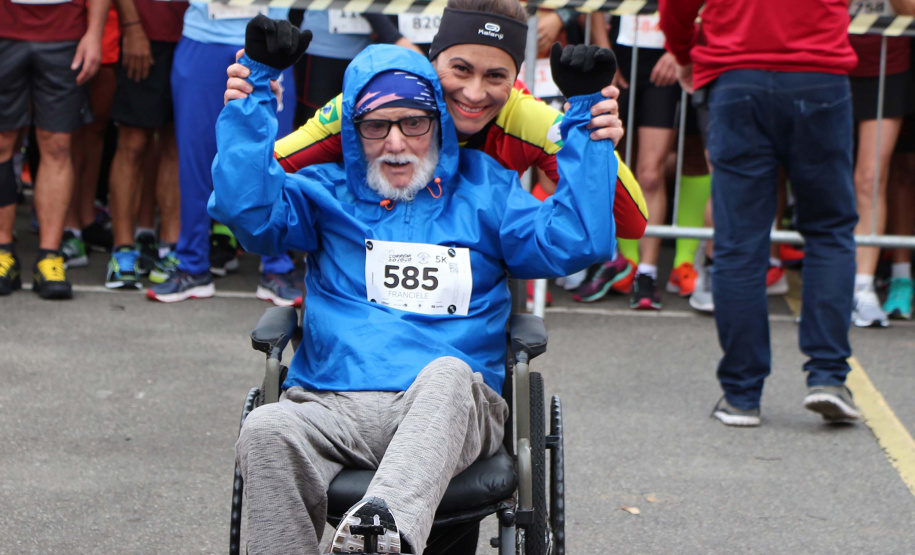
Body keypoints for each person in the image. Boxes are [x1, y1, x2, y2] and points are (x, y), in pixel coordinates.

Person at [214, 15, 618, 554]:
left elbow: (578, 241)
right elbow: (248, 212)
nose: (398, 143)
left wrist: (588, 121)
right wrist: (253, 94)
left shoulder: (486, 190)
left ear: (439, 124)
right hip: (333, 403)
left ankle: (380, 538)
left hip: (449, 406)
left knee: (448, 375)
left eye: (414, 123)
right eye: (377, 126)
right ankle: (371, 532)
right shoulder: (322, 193)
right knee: (267, 429)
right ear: (354, 134)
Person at [225, 0, 648, 247]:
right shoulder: (375, 104)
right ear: (433, 62)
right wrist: (254, 103)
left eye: (496, 76)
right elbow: (251, 191)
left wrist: (591, 139)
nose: (475, 93)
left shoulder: (527, 117)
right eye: (460, 70)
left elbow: (631, 223)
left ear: (514, 78)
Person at [660, 0, 861, 426]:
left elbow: (676, 6)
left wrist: (684, 54)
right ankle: (827, 377)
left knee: (739, 242)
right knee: (829, 231)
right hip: (819, 73)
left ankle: (742, 394)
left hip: (738, 74)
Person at [145, 2, 302, 306]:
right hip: (203, 39)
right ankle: (192, 263)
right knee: (195, 159)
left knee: (275, 155)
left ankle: (277, 267)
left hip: (271, 43)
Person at [0, 0, 108, 299]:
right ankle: (2, 251)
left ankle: (49, 256)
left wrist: (95, 32)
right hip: (5, 24)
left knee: (58, 145)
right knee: (2, 141)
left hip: (66, 29)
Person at [103, 0, 188, 289]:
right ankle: (123, 249)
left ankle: (170, 248)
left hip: (195, 35)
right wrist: (132, 26)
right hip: (145, 33)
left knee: (176, 142)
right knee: (133, 142)